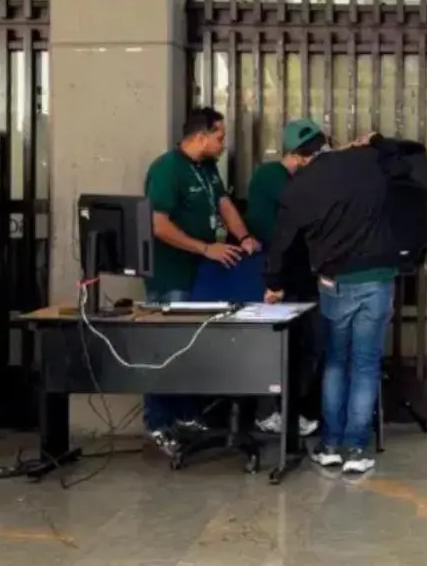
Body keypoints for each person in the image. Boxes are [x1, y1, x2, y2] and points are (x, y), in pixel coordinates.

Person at [265, 130, 404, 476]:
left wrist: (274, 285)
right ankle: (356, 450)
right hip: (376, 278)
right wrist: (376, 140)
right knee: (366, 365)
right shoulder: (367, 161)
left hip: (334, 283)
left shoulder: (298, 187)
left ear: (298, 156)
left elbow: (282, 242)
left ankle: (329, 446)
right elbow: (404, 161)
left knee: (336, 363)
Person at [143, 107, 260, 449]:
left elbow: (223, 203)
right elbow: (157, 224)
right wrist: (205, 248)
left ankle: (188, 416)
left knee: (194, 348)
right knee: (167, 350)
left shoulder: (207, 167)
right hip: (172, 275)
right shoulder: (167, 169)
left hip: (204, 277)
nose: (224, 145)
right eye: (220, 137)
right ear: (200, 136)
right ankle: (159, 423)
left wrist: (244, 237)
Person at [245, 119, 327, 438]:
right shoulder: (272, 178)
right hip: (278, 276)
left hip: (304, 275)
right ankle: (269, 411)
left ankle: (296, 410)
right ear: (295, 155)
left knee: (308, 346)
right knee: (278, 346)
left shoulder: (302, 180)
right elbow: (281, 232)